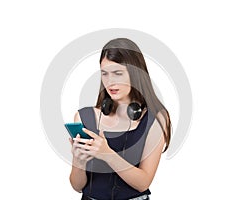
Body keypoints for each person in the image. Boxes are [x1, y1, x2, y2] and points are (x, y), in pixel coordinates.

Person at [69, 38, 171, 200]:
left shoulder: (156, 118)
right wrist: (78, 161)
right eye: (105, 73)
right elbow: (77, 186)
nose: (110, 81)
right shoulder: (84, 117)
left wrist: (107, 154)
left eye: (118, 73)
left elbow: (143, 183)